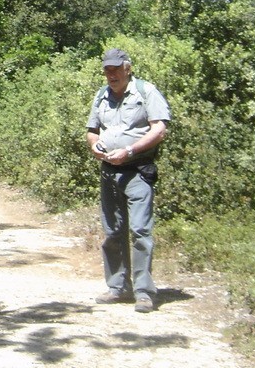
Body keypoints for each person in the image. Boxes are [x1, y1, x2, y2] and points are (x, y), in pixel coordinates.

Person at [87, 48, 170, 314]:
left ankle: (144, 292)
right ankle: (117, 287)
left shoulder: (146, 92)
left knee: (140, 231)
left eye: (115, 69)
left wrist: (130, 151)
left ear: (127, 68)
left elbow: (160, 129)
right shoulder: (101, 95)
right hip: (109, 172)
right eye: (106, 69)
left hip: (137, 170)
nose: (110, 74)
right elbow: (92, 131)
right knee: (112, 231)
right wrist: (95, 148)